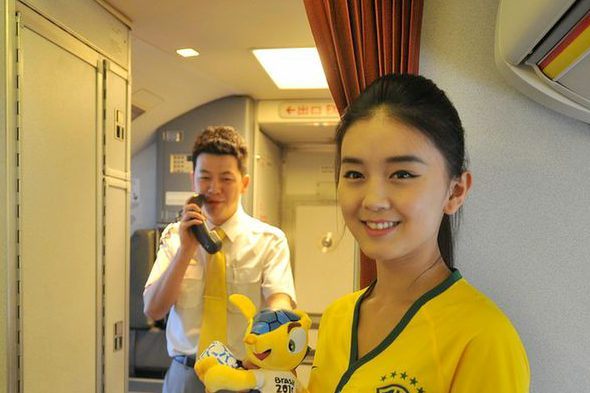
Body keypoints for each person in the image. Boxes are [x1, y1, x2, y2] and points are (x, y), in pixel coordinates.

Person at [308, 74, 530, 392]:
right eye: (355, 173)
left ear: (455, 191)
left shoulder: (483, 337)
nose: (373, 200)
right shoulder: (337, 318)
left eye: (402, 174)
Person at [144, 126, 296, 393]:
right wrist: (186, 251)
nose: (214, 189)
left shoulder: (269, 240)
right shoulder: (174, 238)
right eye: (205, 178)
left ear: (244, 183)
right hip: (186, 375)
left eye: (226, 179)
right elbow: (153, 310)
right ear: (193, 181)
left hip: (242, 376)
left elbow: (279, 300)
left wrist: (275, 330)